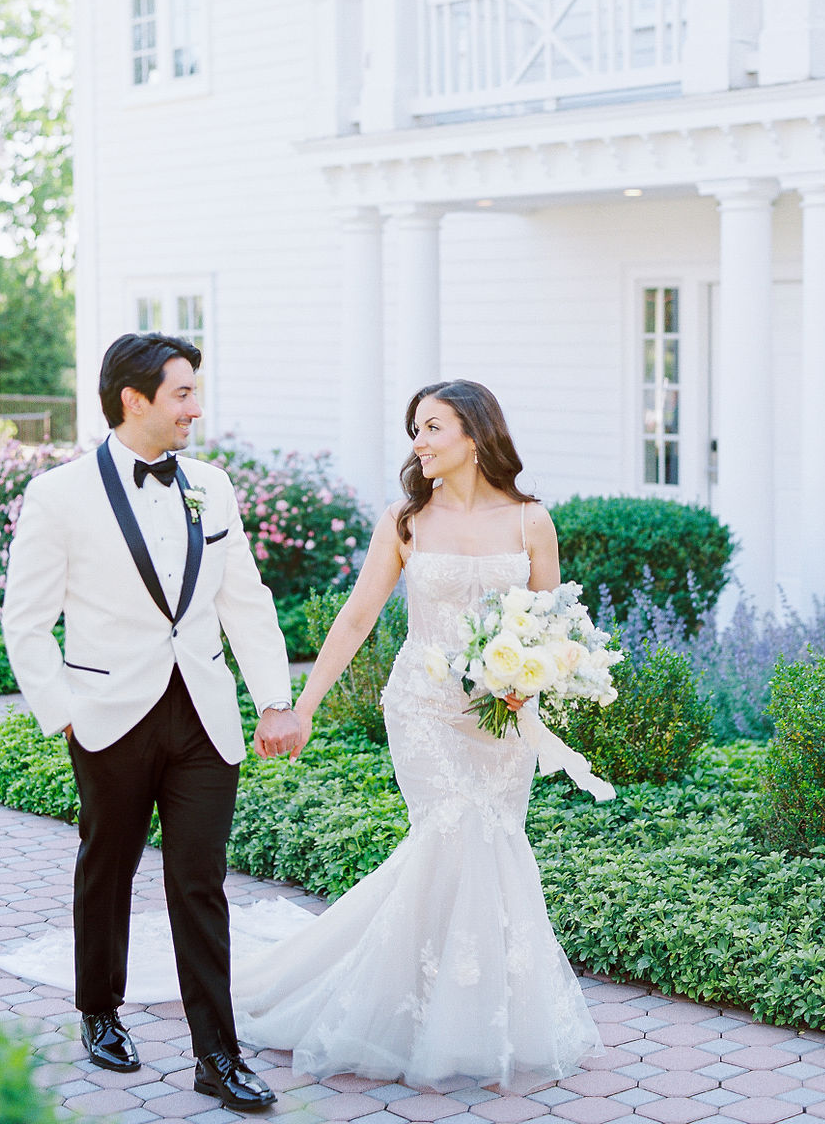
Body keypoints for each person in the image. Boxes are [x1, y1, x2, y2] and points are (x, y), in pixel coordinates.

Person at [230, 378, 607, 1089]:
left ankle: (467, 1015)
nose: (419, 442)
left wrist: (535, 681)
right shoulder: (406, 520)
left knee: (489, 848)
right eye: (416, 429)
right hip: (424, 711)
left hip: (502, 720)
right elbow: (357, 616)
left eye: (432, 427)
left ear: (474, 433)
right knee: (456, 829)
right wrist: (303, 704)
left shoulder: (531, 522)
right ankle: (394, 1011)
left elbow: (556, 626)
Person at [1, 332, 300, 1111]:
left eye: (196, 391)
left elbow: (246, 597)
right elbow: (24, 622)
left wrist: (273, 696)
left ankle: (217, 1054)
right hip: (109, 716)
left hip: (203, 714)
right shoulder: (58, 495)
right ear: (135, 400)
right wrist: (63, 713)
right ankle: (99, 1011)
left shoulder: (213, 485)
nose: (196, 408)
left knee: (198, 881)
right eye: (182, 394)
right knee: (109, 868)